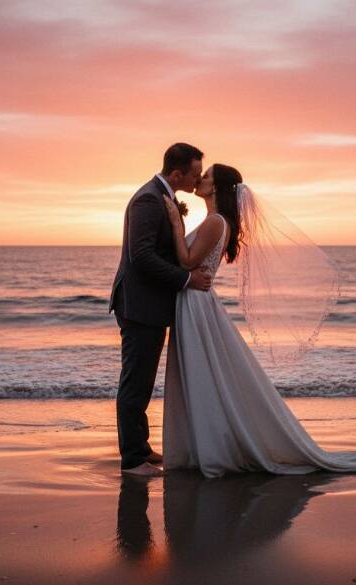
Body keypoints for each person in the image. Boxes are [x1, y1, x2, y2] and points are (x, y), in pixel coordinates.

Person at [161, 163, 356, 478]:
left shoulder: (216, 222)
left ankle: (213, 447)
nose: (200, 180)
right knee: (202, 372)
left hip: (196, 302)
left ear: (216, 188)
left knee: (203, 371)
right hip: (194, 301)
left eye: (206, 177)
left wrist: (176, 225)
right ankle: (201, 443)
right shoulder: (214, 221)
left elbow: (188, 261)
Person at [109, 143, 212, 477]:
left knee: (143, 380)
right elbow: (141, 256)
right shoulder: (149, 199)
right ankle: (133, 460)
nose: (197, 181)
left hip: (150, 305)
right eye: (195, 174)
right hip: (139, 306)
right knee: (135, 382)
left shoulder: (162, 197)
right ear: (177, 173)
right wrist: (186, 279)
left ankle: (142, 446)